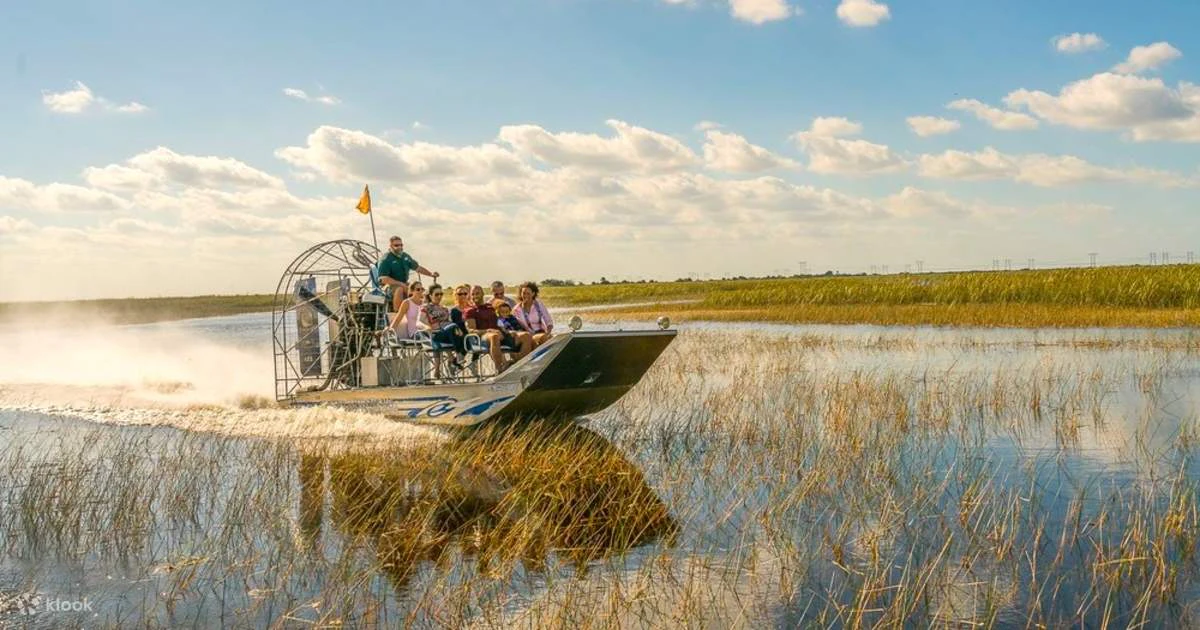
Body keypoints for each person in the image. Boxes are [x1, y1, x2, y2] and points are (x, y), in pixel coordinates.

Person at [465, 285, 531, 372]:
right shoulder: (470, 311)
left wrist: (508, 330)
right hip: (484, 337)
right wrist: (488, 330)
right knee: (494, 336)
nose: (475, 296)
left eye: (477, 293)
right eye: (473, 294)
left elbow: (503, 317)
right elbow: (471, 330)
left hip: (500, 334)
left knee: (526, 335)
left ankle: (516, 363)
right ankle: (499, 369)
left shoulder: (491, 306)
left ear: (483, 294)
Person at [378, 235, 438, 312]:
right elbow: (383, 279)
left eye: (401, 245)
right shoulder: (386, 259)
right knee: (399, 289)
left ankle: (424, 311)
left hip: (405, 283)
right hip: (389, 286)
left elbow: (417, 268)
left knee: (418, 289)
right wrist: (401, 284)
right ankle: (398, 313)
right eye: (396, 245)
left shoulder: (405, 256)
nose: (399, 247)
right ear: (391, 246)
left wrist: (431, 274)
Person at [513, 281, 554, 347]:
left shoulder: (539, 304)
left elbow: (549, 321)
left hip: (542, 332)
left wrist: (548, 333)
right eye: (524, 293)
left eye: (528, 293)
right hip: (528, 336)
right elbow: (518, 327)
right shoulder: (516, 309)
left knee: (554, 339)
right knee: (543, 338)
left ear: (533, 294)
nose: (525, 296)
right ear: (521, 294)